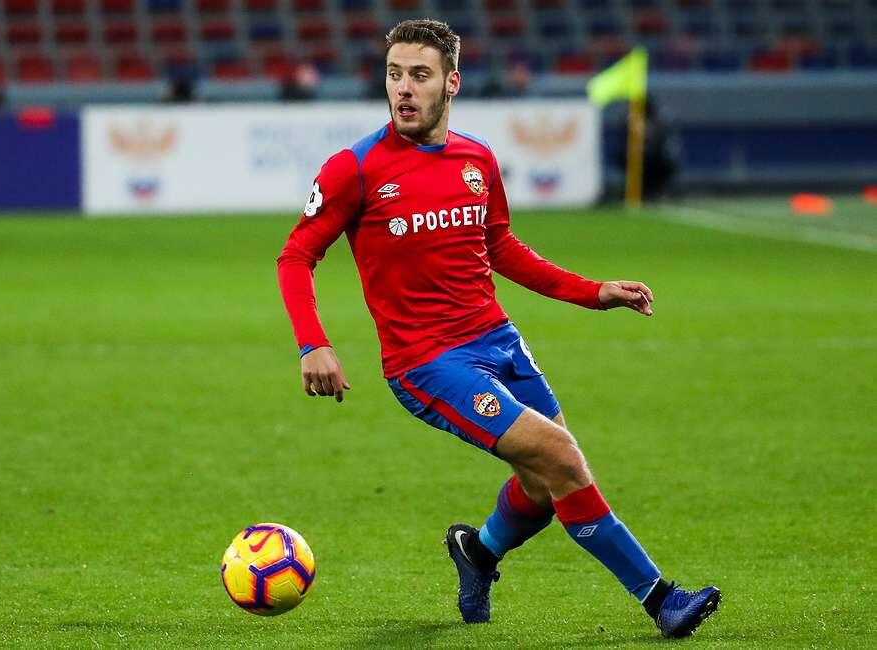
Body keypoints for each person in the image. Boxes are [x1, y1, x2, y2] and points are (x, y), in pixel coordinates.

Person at [276, 19, 720, 638]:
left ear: (451, 83)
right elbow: (296, 256)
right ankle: (662, 599)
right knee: (562, 458)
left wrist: (592, 292)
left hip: (498, 340)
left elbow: (500, 246)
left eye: (420, 75)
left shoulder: (476, 159)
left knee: (543, 485)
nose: (403, 88)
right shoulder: (354, 168)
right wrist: (313, 344)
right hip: (427, 362)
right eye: (394, 74)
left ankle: (478, 552)